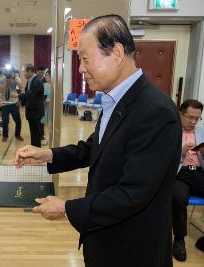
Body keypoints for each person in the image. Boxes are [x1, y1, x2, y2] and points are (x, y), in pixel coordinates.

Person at [15, 14, 181, 267]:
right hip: (104, 240)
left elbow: (133, 193)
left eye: (84, 58)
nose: (81, 68)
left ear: (116, 52)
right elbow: (96, 147)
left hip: (132, 251)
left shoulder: (156, 111)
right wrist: (47, 154)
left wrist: (67, 209)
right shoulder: (115, 99)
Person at [172, 99, 204, 261]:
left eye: (197, 118)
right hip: (180, 174)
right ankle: (179, 240)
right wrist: (181, 152)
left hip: (198, 173)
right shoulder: (170, 131)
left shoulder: (201, 132)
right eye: (190, 117)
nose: (193, 122)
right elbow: (163, 159)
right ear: (180, 114)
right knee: (178, 198)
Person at [0, 67, 24, 142]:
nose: (9, 73)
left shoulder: (15, 78)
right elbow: (0, 90)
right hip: (5, 104)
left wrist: (16, 78)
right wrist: (6, 82)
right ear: (5, 72)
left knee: (18, 121)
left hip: (14, 103)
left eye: (11, 72)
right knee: (5, 121)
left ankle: (17, 135)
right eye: (8, 72)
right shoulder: (0, 79)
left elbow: (21, 88)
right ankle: (5, 136)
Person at [22, 64, 44, 147]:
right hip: (31, 111)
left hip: (36, 112)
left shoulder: (37, 81)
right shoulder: (30, 80)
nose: (24, 74)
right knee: (33, 132)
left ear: (30, 71)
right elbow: (27, 95)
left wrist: (19, 96)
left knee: (36, 133)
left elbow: (31, 95)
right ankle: (34, 148)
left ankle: (36, 150)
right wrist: (21, 101)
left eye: (24, 72)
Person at [41, 70, 52, 146]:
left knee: (50, 124)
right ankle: (46, 138)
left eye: (49, 75)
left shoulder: (55, 86)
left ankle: (50, 138)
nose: (47, 76)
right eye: (46, 75)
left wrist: (51, 100)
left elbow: (61, 98)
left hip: (52, 107)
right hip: (44, 107)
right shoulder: (43, 85)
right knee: (44, 124)